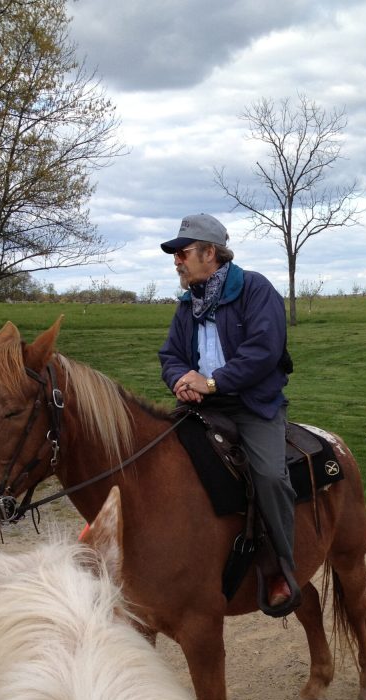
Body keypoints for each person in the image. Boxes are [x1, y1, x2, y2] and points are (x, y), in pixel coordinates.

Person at [158, 213, 300, 613]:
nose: (176, 261)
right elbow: (170, 354)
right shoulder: (189, 303)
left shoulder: (255, 289)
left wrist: (214, 382)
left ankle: (280, 568)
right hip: (203, 405)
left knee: (270, 476)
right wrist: (181, 379)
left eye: (182, 252)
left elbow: (263, 350)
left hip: (252, 405)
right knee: (152, 457)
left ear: (210, 253)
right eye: (175, 254)